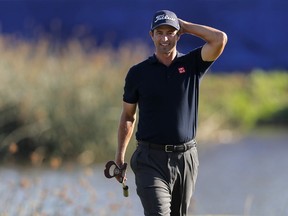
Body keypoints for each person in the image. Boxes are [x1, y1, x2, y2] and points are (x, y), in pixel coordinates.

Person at [115, 9, 227, 216]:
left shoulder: (193, 64)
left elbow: (219, 39)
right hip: (150, 159)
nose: (165, 38)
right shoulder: (138, 73)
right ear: (152, 35)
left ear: (178, 34)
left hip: (186, 158)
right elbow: (128, 116)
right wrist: (120, 156)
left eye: (170, 32)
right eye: (159, 32)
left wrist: (185, 26)